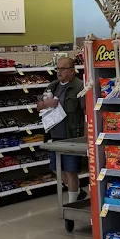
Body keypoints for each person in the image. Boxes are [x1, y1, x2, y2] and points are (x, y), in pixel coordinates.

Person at [36, 57, 85, 204]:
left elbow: (86, 110)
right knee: (55, 168)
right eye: (57, 68)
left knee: (71, 171)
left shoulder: (79, 86)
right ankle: (77, 191)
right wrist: (47, 104)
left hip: (71, 136)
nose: (59, 72)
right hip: (54, 135)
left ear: (72, 71)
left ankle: (72, 203)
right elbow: (38, 106)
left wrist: (86, 134)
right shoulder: (53, 86)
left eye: (63, 69)